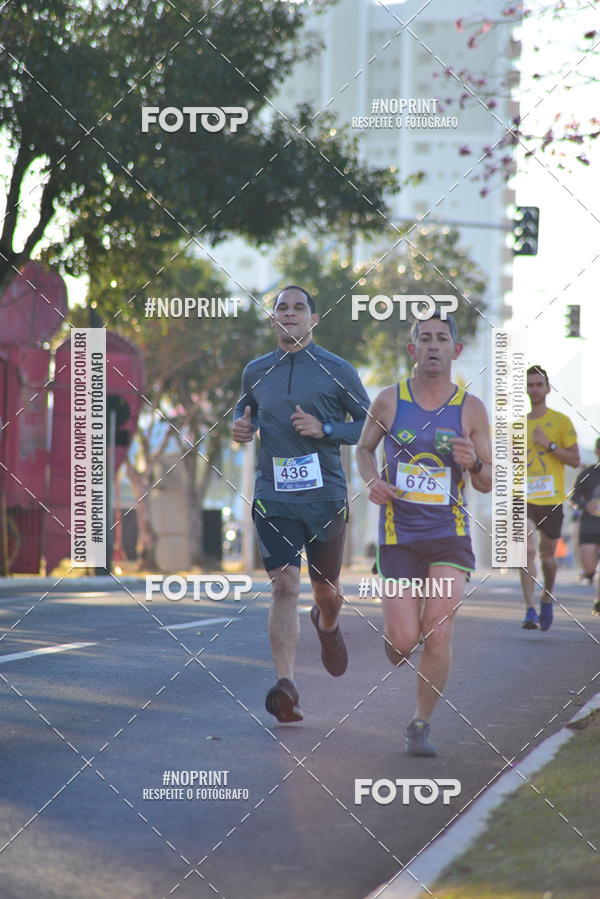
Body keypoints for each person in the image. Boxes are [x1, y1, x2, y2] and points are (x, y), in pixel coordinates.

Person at [356, 312, 491, 756]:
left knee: (439, 631)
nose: (434, 346)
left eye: (442, 339)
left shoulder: (470, 409)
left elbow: (486, 481)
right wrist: (372, 480)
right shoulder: (390, 401)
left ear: (455, 351)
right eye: (425, 339)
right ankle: (400, 637)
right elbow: (363, 449)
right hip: (399, 537)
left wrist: (473, 463)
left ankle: (420, 722)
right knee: (402, 640)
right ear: (413, 350)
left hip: (448, 536)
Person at [232, 285, 370, 723]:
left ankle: (326, 623)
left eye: (298, 308)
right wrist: (240, 427)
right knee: (284, 586)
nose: (289, 314)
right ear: (273, 319)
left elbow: (371, 426)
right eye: (281, 308)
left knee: (325, 592)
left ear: (313, 319)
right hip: (274, 497)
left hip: (325, 497)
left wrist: (325, 428)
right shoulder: (255, 370)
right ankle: (286, 685)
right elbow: (245, 410)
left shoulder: (337, 370)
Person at [521, 366, 580, 630]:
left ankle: (546, 596)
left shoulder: (561, 422)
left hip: (551, 498)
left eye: (538, 384)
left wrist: (549, 445)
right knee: (526, 549)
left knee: (547, 557)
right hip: (522, 497)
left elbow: (575, 459)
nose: (534, 389)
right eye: (530, 385)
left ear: (547, 389)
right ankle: (530, 609)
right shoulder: (517, 426)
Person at [571, 437, 600, 615]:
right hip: (589, 525)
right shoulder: (587, 473)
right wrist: (585, 506)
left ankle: (598, 600)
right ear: (597, 451)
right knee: (590, 568)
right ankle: (588, 575)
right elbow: (573, 497)